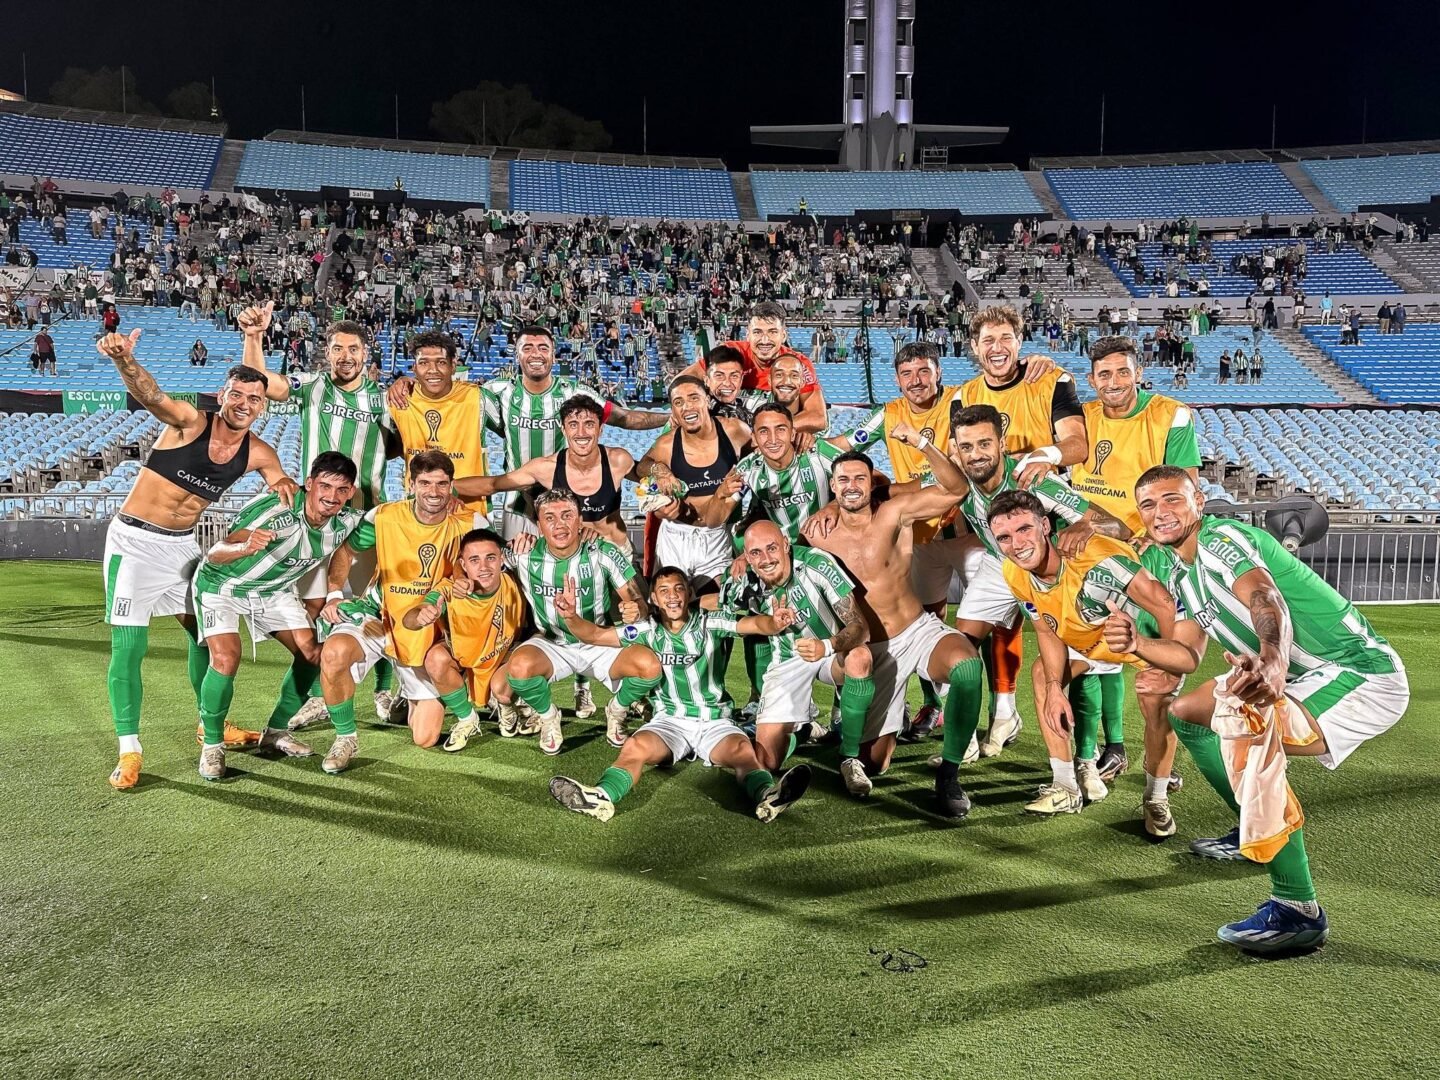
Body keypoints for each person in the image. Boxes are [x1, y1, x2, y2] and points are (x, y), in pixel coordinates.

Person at [1113, 467, 1409, 953]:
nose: (1160, 512)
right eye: (1148, 505)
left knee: (1241, 725)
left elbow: (1263, 597)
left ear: (1199, 503)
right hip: (1300, 674)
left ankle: (1298, 909)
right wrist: (1141, 644)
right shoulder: (1177, 570)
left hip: (1359, 674)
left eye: (1172, 500)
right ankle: (1255, 827)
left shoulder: (1221, 537)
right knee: (1187, 711)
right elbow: (1187, 654)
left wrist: (1271, 656)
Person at [96, 332, 296, 790]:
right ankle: (130, 750)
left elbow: (280, 481)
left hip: (184, 548)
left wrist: (287, 490)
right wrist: (125, 360)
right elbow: (151, 394)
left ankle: (210, 725)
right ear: (222, 395)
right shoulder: (189, 422)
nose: (245, 403)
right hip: (135, 544)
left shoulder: (259, 452)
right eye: (237, 394)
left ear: (264, 406)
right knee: (129, 649)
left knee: (207, 638)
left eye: (255, 398)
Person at [547, 563, 812, 823]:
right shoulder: (646, 629)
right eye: (664, 590)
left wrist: (774, 623)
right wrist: (570, 616)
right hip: (669, 722)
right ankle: (601, 796)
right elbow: (595, 635)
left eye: (679, 589)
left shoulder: (711, 622)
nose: (672, 596)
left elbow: (752, 625)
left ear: (689, 594)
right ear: (654, 598)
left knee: (744, 752)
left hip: (714, 720)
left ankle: (769, 796)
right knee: (634, 747)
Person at [802, 453, 985, 817]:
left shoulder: (894, 512)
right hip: (871, 647)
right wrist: (743, 557)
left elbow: (956, 488)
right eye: (843, 479)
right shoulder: (815, 532)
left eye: (860, 478)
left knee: (966, 668)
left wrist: (919, 444)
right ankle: (866, 726)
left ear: (872, 483)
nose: (851, 486)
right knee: (873, 764)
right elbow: (772, 550)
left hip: (916, 629)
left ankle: (949, 775)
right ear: (832, 485)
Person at [1067, 335, 1202, 807]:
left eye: (1123, 372)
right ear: (1092, 379)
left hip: (1150, 559)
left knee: (1155, 673)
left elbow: (1185, 488)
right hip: (1092, 557)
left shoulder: (1170, 414)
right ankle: (1103, 754)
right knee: (1088, 658)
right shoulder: (1079, 417)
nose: (1114, 382)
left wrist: (1142, 533)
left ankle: (1159, 769)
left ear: (1139, 372)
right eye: (1104, 374)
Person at [986, 490, 1180, 817]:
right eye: (1004, 537)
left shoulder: (1093, 556)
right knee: (1042, 677)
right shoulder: (1013, 571)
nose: (1016, 544)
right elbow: (1047, 629)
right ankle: (1065, 787)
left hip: (1144, 636)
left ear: (1045, 526)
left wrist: (1170, 660)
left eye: (1024, 530)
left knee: (1157, 704)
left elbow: (1165, 606)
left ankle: (1156, 798)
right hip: (1089, 640)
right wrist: (1053, 689)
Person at [959, 306, 1088, 751]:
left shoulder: (1051, 380)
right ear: (974, 347)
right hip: (1000, 539)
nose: (997, 348)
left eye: (1005, 338)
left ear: (1019, 340)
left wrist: (1047, 456)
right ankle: (998, 716)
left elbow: (1077, 443)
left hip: (1049, 529)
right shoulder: (965, 395)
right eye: (987, 341)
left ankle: (1097, 749)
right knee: (973, 634)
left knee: (1079, 643)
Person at [190, 453, 364, 779]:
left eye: (341, 490)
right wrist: (245, 548)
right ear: (309, 484)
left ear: (351, 492)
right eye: (324, 486)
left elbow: (379, 528)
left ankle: (275, 732)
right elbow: (216, 552)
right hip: (223, 586)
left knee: (312, 655)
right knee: (226, 658)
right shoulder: (277, 505)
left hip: (274, 592)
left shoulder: (348, 521)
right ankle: (212, 745)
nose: (331, 496)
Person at [314, 452, 487, 771]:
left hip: (426, 632)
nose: (433, 492)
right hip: (378, 618)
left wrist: (468, 589)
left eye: (441, 484)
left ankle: (410, 697)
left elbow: (490, 573)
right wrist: (335, 593)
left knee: (425, 737)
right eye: (424, 483)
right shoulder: (384, 516)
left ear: (451, 486)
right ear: (410, 484)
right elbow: (346, 550)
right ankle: (345, 738)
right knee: (334, 654)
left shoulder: (471, 523)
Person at [502, 488, 652, 755]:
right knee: (518, 669)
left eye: (567, 515)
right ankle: (549, 717)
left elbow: (636, 599)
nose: (559, 525)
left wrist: (635, 609)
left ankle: (617, 711)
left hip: (598, 641)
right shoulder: (523, 552)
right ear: (539, 525)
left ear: (579, 520)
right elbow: (478, 561)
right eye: (550, 518)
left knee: (649, 666)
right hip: (553, 643)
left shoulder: (602, 550)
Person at [728, 521, 875, 790]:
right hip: (786, 662)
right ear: (747, 557)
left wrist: (827, 645)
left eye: (771, 548)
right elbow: (714, 603)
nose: (766, 559)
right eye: (756, 553)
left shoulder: (816, 563)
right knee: (768, 761)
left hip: (831, 651)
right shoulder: (744, 582)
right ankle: (802, 729)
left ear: (785, 543)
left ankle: (850, 758)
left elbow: (860, 628)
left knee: (860, 658)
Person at [456, 395, 639, 552]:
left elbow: (650, 476)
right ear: (563, 429)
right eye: (573, 424)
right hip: (573, 558)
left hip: (616, 551)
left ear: (600, 429)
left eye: (589, 424)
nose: (581, 432)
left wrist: (659, 470)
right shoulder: (545, 468)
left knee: (642, 593)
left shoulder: (618, 460)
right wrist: (447, 487)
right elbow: (493, 485)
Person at [401, 528, 527, 752]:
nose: (484, 567)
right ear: (463, 564)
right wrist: (421, 615)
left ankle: (506, 705)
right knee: (435, 659)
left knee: (503, 688)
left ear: (502, 559)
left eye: (490, 558)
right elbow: (411, 619)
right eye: (474, 560)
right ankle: (467, 718)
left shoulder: (517, 580)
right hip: (465, 660)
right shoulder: (448, 589)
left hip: (504, 656)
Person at [637, 376, 753, 589]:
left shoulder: (735, 431)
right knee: (669, 609)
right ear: (672, 410)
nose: (686, 407)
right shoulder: (667, 444)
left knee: (720, 605)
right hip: (676, 535)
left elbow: (760, 460)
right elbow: (641, 466)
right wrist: (659, 469)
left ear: (707, 400)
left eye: (693, 398)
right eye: (678, 402)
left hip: (716, 536)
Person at [680, 302, 828, 434]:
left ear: (783, 335)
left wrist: (767, 430)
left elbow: (818, 417)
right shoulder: (730, 353)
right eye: (758, 332)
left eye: (772, 332)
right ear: (748, 335)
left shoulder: (797, 363)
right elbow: (680, 383)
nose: (765, 340)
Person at [386, 330, 490, 515]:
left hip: (468, 513)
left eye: (441, 362)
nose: (433, 370)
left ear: (453, 366)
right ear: (414, 368)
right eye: (424, 363)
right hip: (419, 513)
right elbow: (392, 448)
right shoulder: (398, 400)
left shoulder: (479, 399)